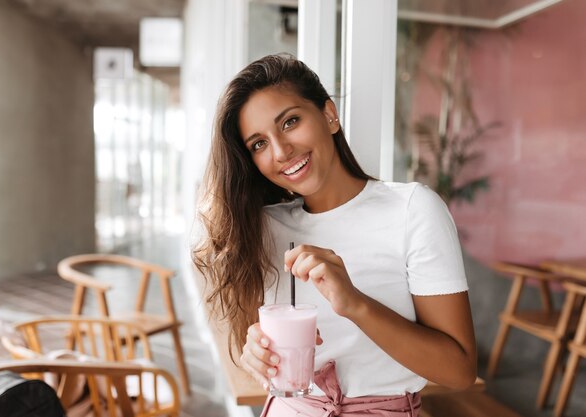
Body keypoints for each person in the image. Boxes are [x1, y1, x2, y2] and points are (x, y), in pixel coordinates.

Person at [192, 54, 476, 416]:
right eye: (258, 144)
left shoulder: (412, 210)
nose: (281, 151)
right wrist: (254, 351)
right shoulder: (262, 228)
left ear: (329, 115)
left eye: (290, 122)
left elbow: (460, 371)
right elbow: (260, 347)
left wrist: (355, 304)